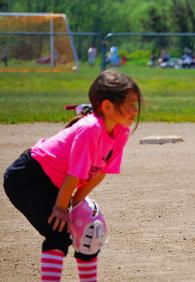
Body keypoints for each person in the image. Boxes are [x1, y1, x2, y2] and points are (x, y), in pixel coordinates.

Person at [3, 70, 142, 281]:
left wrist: (75, 204)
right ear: (107, 106)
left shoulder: (121, 131)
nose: (135, 110)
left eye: (136, 104)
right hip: (28, 179)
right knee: (58, 233)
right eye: (129, 103)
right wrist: (61, 207)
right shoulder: (90, 129)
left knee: (91, 230)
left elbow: (100, 173)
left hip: (56, 183)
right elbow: (74, 174)